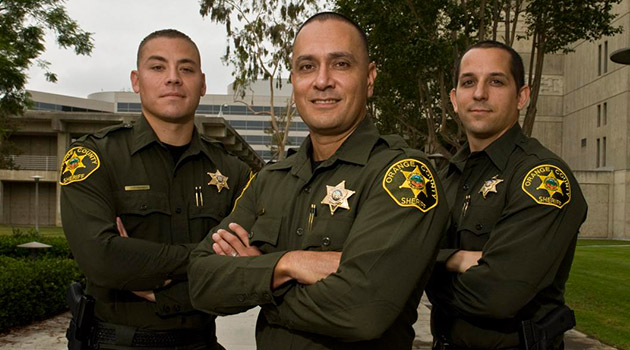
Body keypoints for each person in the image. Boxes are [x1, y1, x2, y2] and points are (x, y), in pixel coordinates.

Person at [188, 12, 449, 349]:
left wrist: (260, 279)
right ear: (294, 79)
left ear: (369, 78)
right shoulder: (271, 180)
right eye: (307, 66)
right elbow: (201, 280)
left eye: (340, 64)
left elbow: (363, 310)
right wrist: (289, 264)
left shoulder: (402, 176)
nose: (322, 81)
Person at [60, 29, 251, 349]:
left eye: (186, 69)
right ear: (136, 80)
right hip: (115, 343)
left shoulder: (234, 172)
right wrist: (208, 257)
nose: (173, 78)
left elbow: (249, 272)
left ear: (203, 84)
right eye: (158, 67)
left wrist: (159, 288)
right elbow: (100, 258)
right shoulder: (93, 157)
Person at [426, 40, 588, 349]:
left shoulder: (543, 178)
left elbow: (497, 295)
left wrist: (419, 269)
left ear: (522, 97)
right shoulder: (447, 176)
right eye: (468, 82)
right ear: (455, 99)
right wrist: (455, 259)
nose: (479, 93)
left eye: (496, 81)